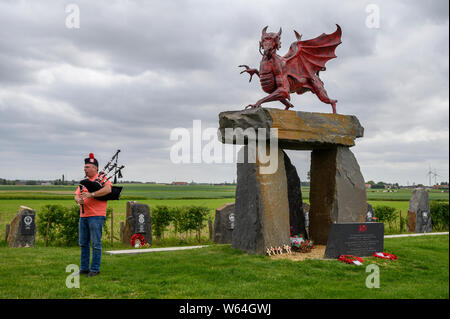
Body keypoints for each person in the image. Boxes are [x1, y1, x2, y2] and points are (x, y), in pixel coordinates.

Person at [74, 153, 112, 277]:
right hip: (83, 215)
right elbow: (76, 194)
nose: (85, 169)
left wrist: (92, 194)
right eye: (84, 167)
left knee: (95, 243)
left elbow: (108, 190)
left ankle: (95, 269)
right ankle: (84, 268)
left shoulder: (101, 179)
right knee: (83, 243)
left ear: (95, 168)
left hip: (97, 216)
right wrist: (77, 200)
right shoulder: (83, 182)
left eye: (88, 167)